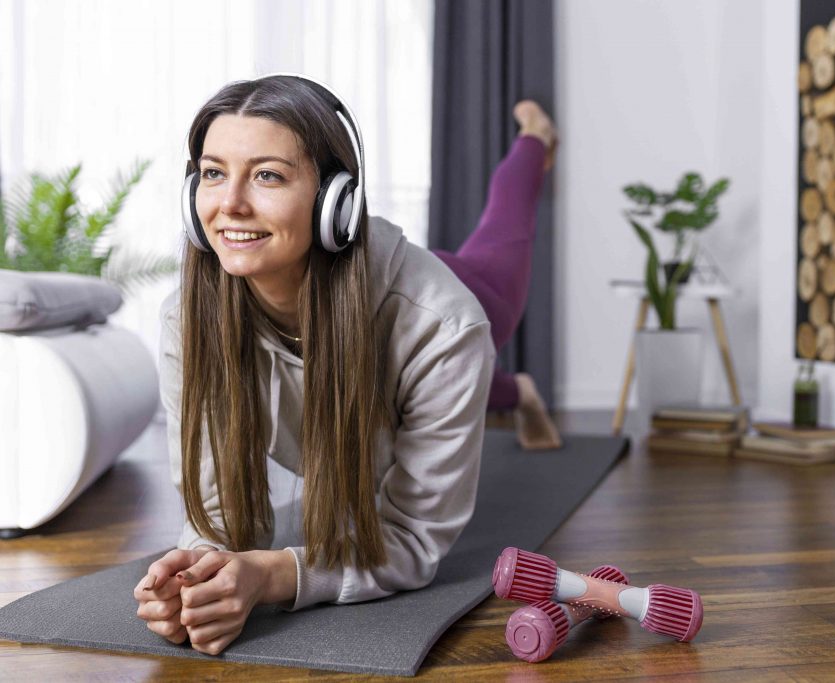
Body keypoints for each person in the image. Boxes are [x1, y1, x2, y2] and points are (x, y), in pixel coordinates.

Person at [132, 74, 560, 655]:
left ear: (338, 200)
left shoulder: (444, 325)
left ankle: (534, 141)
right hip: (403, 340)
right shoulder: (189, 320)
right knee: (435, 395)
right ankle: (519, 392)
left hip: (475, 290)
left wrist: (274, 576)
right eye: (212, 173)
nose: (229, 204)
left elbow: (411, 538)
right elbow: (213, 511)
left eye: (267, 175)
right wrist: (204, 572)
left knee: (506, 223)